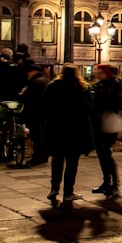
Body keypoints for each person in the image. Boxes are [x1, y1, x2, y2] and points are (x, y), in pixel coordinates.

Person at [43, 64, 94, 203]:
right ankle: (68, 192)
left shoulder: (53, 86)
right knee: (72, 162)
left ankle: (54, 188)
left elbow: (46, 105)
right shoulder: (83, 88)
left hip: (57, 128)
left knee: (57, 159)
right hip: (75, 130)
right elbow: (89, 107)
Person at [92, 64, 122, 197]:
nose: (97, 74)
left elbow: (119, 102)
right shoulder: (99, 84)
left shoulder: (115, 84)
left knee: (106, 153)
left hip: (109, 121)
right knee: (102, 154)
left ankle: (114, 185)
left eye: (100, 72)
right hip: (100, 121)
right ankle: (106, 182)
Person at [20, 61, 49, 165]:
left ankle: (37, 157)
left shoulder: (36, 82)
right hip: (46, 112)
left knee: (37, 136)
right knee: (44, 135)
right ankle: (44, 156)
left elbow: (28, 97)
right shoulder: (46, 80)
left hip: (36, 112)